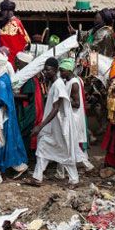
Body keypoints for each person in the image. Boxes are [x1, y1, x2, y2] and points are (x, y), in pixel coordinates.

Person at [30, 58, 85, 186]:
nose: (45, 72)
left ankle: (74, 179)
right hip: (53, 126)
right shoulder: (55, 84)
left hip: (59, 126)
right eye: (45, 69)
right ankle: (37, 177)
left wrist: (40, 126)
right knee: (43, 147)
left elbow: (56, 109)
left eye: (48, 69)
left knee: (64, 151)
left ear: (55, 70)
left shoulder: (59, 85)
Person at [0, 52, 28, 182]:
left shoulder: (1, 82)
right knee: (5, 143)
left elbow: (2, 101)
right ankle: (19, 167)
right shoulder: (1, 78)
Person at [59, 58, 95, 173]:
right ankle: (83, 165)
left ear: (69, 71)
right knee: (69, 143)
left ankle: (64, 171)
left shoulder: (74, 83)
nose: (60, 73)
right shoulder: (70, 81)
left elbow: (77, 103)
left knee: (68, 143)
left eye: (62, 71)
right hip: (71, 116)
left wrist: (63, 99)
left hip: (73, 117)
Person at [13, 52, 43, 161]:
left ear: (24, 63)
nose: (16, 62)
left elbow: (28, 97)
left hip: (28, 112)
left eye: (18, 60)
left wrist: (11, 95)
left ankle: (22, 161)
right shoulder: (25, 75)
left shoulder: (29, 78)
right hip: (26, 111)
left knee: (23, 136)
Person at [0, 0, 30, 68]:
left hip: (11, 63)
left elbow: (9, 46)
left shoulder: (13, 24)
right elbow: (27, 41)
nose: (2, 14)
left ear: (8, 11)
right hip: (14, 62)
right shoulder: (17, 22)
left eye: (2, 12)